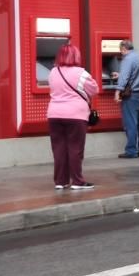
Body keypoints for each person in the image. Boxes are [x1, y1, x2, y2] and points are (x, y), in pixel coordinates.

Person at [47, 43, 99, 190]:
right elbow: (94, 90)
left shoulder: (52, 72)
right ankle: (77, 181)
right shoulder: (81, 73)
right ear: (76, 56)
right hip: (76, 115)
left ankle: (60, 181)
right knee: (75, 148)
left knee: (58, 149)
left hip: (54, 114)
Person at [111, 39, 139, 159]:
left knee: (130, 124)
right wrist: (120, 74)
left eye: (121, 51)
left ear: (124, 49)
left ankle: (131, 151)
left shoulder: (127, 59)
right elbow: (135, 75)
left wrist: (117, 92)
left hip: (131, 97)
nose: (121, 54)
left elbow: (124, 79)